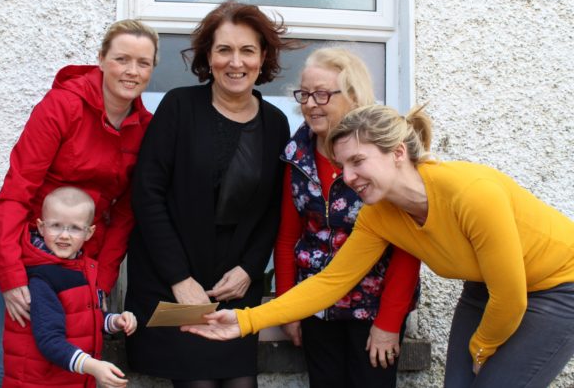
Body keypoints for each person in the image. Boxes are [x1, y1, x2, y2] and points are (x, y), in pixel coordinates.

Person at [183, 104, 574, 388]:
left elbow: (511, 299)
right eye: (342, 167)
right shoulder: (379, 215)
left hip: (559, 287)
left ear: (398, 153)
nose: (348, 177)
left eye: (358, 162)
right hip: (485, 288)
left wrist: (481, 349)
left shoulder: (472, 194)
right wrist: (247, 319)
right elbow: (331, 282)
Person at [0, 19, 158, 387]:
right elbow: (17, 189)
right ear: (102, 59)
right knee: (8, 366)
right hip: (24, 252)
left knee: (70, 370)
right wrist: (11, 277)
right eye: (122, 59)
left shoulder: (146, 127)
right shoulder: (63, 106)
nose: (132, 71)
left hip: (82, 263)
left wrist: (102, 279)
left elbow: (125, 213)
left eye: (143, 63)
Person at [125, 0, 297, 388]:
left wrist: (251, 268)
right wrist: (179, 279)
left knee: (241, 384)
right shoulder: (179, 106)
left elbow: (274, 207)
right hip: (169, 279)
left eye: (247, 50)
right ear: (208, 56)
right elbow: (147, 195)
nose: (236, 62)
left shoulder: (275, 123)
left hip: (232, 285)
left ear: (262, 56)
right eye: (224, 50)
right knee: (198, 383)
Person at [273, 47, 420, 388]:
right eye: (305, 94)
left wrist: (389, 321)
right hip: (316, 306)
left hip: (373, 310)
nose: (310, 103)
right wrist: (286, 306)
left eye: (322, 94)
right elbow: (286, 237)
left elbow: (409, 246)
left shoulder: (381, 154)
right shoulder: (296, 156)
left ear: (353, 96)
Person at [2, 186, 138, 387]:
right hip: (39, 382)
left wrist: (115, 321)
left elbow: (83, 318)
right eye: (56, 225)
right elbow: (49, 341)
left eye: (74, 228)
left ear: (89, 232)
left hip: (70, 378)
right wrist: (93, 366)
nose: (64, 235)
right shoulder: (40, 277)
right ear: (41, 227)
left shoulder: (83, 269)